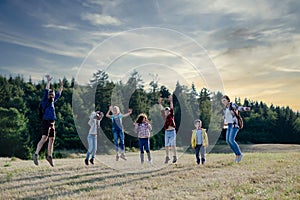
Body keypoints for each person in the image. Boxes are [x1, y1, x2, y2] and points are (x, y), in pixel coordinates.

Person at [33, 75, 63, 167]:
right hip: (46, 121)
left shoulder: (53, 101)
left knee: (52, 139)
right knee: (44, 138)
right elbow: (46, 90)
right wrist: (48, 81)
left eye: (53, 94)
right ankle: (36, 154)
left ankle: (49, 156)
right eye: (51, 94)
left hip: (52, 122)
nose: (52, 95)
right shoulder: (45, 100)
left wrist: (61, 85)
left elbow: (59, 92)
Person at [221, 95, 250, 163]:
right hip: (228, 125)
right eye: (222, 101)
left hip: (234, 125)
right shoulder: (225, 108)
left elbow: (239, 108)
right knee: (228, 141)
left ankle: (239, 154)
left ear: (228, 100)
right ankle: (237, 155)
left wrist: (246, 109)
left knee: (231, 140)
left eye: (224, 100)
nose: (223, 102)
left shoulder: (232, 105)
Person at [158, 95, 177, 164]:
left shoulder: (171, 115)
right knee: (166, 145)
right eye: (166, 111)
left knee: (173, 145)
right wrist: (160, 103)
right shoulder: (164, 117)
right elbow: (161, 109)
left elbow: (171, 108)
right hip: (167, 132)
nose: (167, 112)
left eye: (168, 111)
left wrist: (171, 101)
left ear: (169, 112)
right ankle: (167, 157)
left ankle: (174, 156)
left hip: (172, 131)